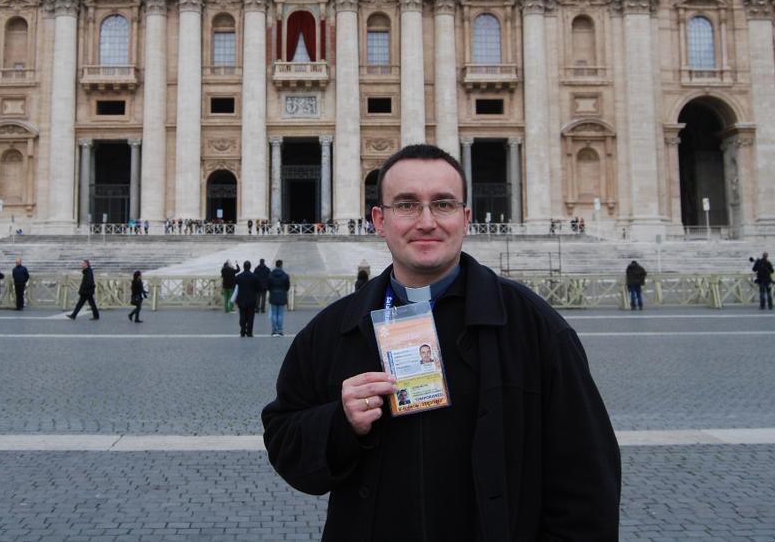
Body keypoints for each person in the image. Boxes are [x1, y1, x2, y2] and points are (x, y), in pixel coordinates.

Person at [263, 143, 620, 540]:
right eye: (407, 205)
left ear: (466, 218)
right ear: (379, 220)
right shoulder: (334, 328)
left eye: (444, 204)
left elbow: (587, 480)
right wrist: (339, 424)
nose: (427, 221)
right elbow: (284, 438)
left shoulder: (534, 326)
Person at [233, 260, 258, 337]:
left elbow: (235, 286)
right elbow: (259, 287)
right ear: (250, 267)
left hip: (241, 299)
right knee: (251, 317)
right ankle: (249, 332)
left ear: (243, 267)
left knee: (242, 316)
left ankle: (243, 331)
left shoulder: (239, 277)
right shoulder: (255, 276)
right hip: (251, 299)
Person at [267, 259, 290, 337]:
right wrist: (284, 291)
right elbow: (287, 286)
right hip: (282, 295)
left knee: (274, 314)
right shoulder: (285, 275)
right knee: (280, 314)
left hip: (273, 294)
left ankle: (274, 330)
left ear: (276, 265)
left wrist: (271, 291)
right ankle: (280, 331)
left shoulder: (270, 274)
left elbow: (268, 285)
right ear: (281, 265)